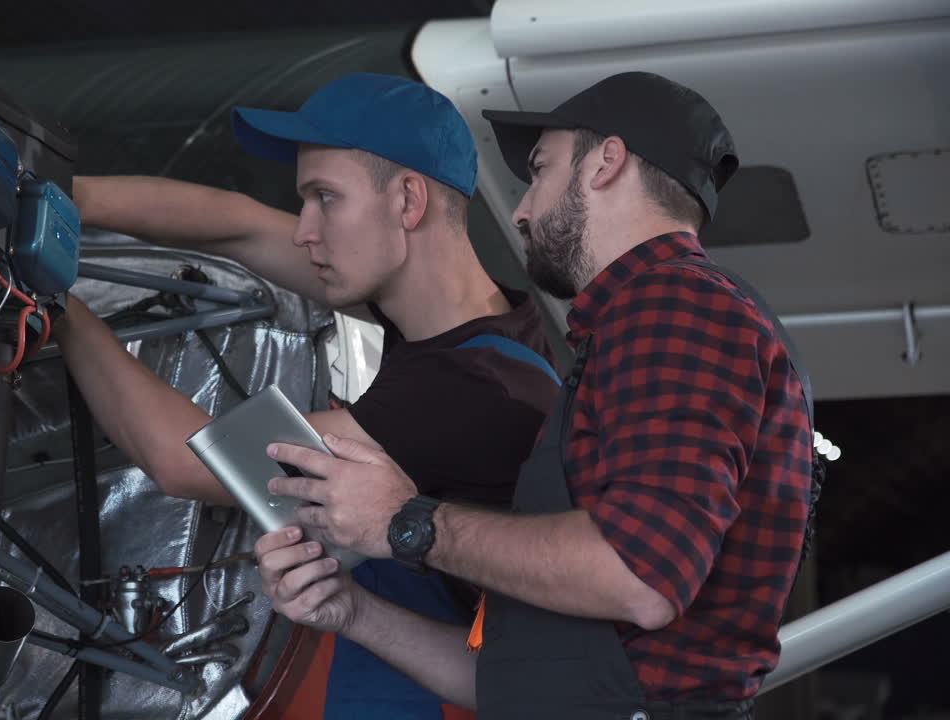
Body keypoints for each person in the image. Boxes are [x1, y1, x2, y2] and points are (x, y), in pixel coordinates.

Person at [255, 71, 817, 720]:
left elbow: (641, 578)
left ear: (606, 162)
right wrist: (351, 612)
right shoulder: (633, 331)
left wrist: (408, 522)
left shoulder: (674, 304)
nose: (521, 210)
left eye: (540, 171)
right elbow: (510, 684)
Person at [53, 73, 560, 718]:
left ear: (408, 201)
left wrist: (52, 298)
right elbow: (239, 227)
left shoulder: (471, 390)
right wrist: (56, 198)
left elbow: (189, 461)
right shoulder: (486, 322)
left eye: (326, 199)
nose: (303, 231)